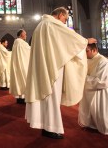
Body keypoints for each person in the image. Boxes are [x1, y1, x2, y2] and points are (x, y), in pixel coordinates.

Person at [24, 7, 97, 139]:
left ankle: (45, 126)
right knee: (52, 98)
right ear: (61, 14)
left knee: (45, 98)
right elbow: (69, 38)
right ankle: (51, 128)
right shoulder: (52, 24)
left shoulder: (40, 26)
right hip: (53, 68)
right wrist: (86, 41)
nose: (65, 22)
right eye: (65, 19)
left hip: (43, 67)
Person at [78, 43, 108, 135]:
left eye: (87, 51)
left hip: (102, 93)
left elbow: (103, 81)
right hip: (90, 91)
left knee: (104, 117)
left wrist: (83, 78)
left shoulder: (103, 62)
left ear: (94, 50)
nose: (85, 54)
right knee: (93, 112)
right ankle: (94, 124)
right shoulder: (89, 60)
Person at [9, 29, 30, 104]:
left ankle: (20, 97)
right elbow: (29, 51)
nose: (26, 35)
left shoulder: (16, 42)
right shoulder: (21, 43)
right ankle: (23, 97)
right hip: (23, 64)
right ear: (21, 35)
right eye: (25, 34)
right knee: (24, 79)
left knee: (19, 80)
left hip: (19, 64)